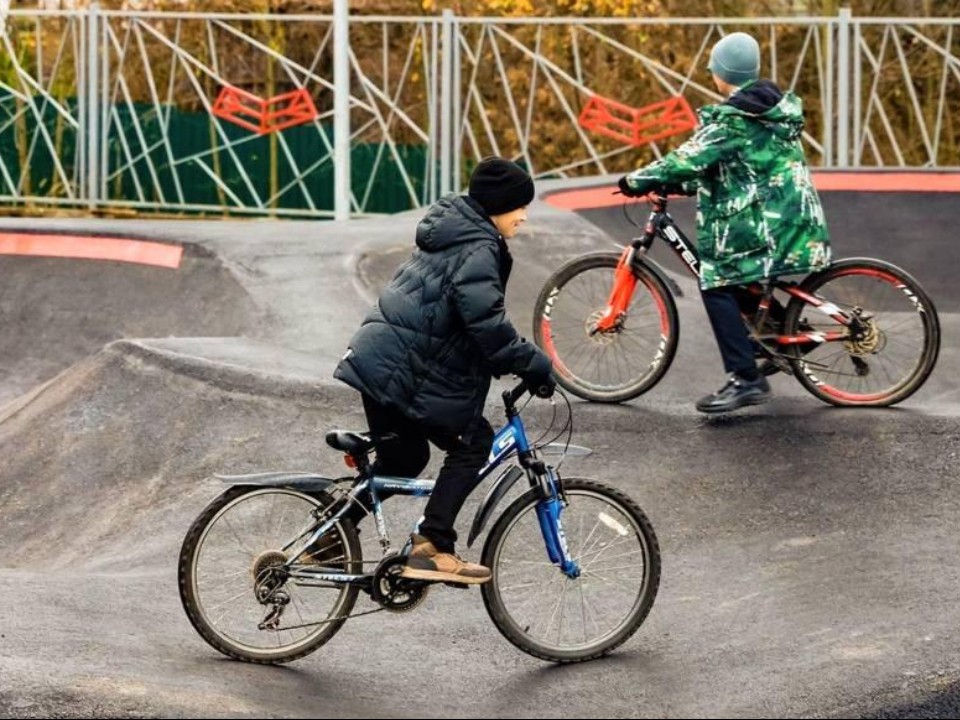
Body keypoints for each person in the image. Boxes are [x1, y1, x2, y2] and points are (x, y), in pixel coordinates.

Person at [334, 156, 555, 584]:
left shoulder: (458, 234)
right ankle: (433, 545)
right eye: (519, 206)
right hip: (400, 369)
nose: (525, 216)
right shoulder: (479, 247)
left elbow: (464, 321)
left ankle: (332, 536)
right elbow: (486, 323)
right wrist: (533, 364)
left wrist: (503, 360)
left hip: (378, 362)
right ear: (497, 205)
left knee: (406, 456)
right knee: (474, 443)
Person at [618, 32, 831, 413]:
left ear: (722, 72)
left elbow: (687, 158)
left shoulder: (734, 119)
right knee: (734, 279)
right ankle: (790, 335)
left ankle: (746, 378)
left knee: (714, 281)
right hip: (789, 219)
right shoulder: (768, 109)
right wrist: (677, 182)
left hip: (766, 226)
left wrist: (636, 180)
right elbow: (722, 166)